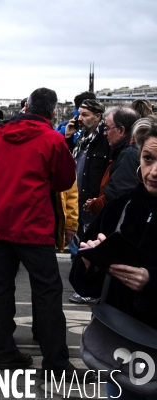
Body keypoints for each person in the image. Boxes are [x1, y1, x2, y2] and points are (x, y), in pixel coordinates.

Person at [0, 88, 87, 378]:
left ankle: (6, 355)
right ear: (52, 113)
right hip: (34, 226)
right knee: (48, 292)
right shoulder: (53, 139)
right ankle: (55, 364)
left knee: (0, 289)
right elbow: (64, 180)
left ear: (26, 106)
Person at [70, 115, 157, 399]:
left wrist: (150, 282)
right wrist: (89, 261)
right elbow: (84, 285)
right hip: (122, 345)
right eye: (148, 159)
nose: (153, 171)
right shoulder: (120, 208)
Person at [66, 98, 110, 304]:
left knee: (88, 246)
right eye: (79, 114)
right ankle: (80, 285)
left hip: (92, 200)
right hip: (79, 196)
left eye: (84, 115)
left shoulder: (104, 138)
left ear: (98, 116)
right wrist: (68, 136)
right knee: (77, 243)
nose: (79, 118)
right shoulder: (82, 136)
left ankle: (88, 289)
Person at [84, 106, 141, 216]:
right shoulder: (126, 150)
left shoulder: (129, 154)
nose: (105, 133)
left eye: (107, 128)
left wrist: (95, 205)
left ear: (121, 130)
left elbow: (118, 196)